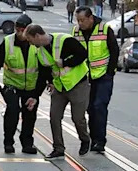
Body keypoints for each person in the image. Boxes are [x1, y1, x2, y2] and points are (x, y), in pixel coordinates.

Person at [24, 23, 91, 158]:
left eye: (30, 40)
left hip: (77, 84)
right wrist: (35, 96)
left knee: (78, 118)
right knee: (54, 117)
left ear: (37, 36)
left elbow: (83, 54)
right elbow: (42, 75)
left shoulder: (65, 40)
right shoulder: (40, 52)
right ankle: (58, 148)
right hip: (59, 87)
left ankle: (85, 139)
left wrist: (65, 62)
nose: (30, 44)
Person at [0, 13, 47, 155]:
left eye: (23, 30)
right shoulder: (8, 42)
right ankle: (8, 142)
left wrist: (48, 81)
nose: (20, 33)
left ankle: (27, 143)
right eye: (18, 29)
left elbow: (45, 66)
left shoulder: (36, 44)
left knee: (29, 115)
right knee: (12, 112)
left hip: (31, 87)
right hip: (12, 84)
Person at [72, 6, 119, 153]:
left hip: (102, 76)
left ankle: (100, 141)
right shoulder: (75, 32)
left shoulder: (104, 29)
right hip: (85, 77)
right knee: (90, 108)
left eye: (82, 20)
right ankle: (93, 139)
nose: (80, 24)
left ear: (91, 18)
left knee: (99, 106)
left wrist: (110, 72)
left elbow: (114, 51)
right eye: (78, 20)